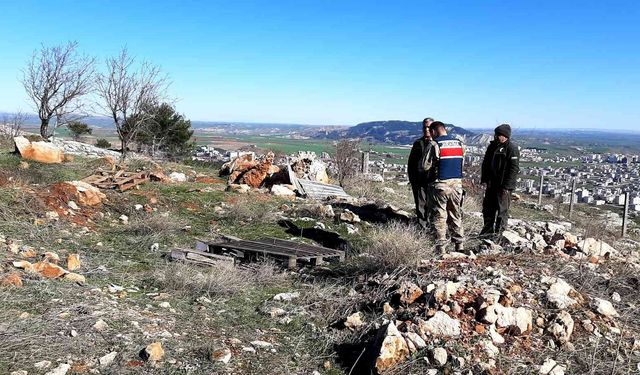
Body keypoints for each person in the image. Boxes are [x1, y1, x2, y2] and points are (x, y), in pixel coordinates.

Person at [428, 121, 465, 253]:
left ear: (433, 131)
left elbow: (426, 165)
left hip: (441, 184)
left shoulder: (435, 144)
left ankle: (441, 247)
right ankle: (459, 245)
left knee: (439, 216)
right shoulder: (459, 143)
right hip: (457, 184)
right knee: (456, 214)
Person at [480, 124, 520, 236]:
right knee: (488, 208)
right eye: (496, 134)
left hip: (503, 186)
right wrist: (484, 180)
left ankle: (499, 234)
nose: (496, 137)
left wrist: (506, 186)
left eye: (499, 135)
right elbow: (486, 164)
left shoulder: (511, 148)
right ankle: (487, 231)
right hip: (491, 184)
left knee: (502, 210)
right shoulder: (492, 147)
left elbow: (513, 169)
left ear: (505, 136)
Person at [407, 118, 436, 231]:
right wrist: (413, 179)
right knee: (421, 204)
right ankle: (422, 228)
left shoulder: (437, 143)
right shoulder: (418, 143)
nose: (426, 129)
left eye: (429, 127)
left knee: (434, 206)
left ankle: (434, 228)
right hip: (419, 180)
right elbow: (411, 163)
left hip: (433, 180)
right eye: (424, 127)